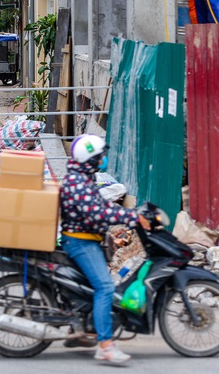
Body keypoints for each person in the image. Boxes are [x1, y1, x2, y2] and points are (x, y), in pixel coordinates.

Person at [59, 134, 150, 365]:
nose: (104, 160)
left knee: (94, 287)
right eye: (100, 157)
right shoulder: (78, 182)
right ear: (90, 160)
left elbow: (100, 208)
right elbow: (98, 213)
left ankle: (84, 328)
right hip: (80, 242)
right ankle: (106, 346)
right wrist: (132, 215)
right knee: (105, 287)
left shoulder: (81, 178)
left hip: (86, 238)